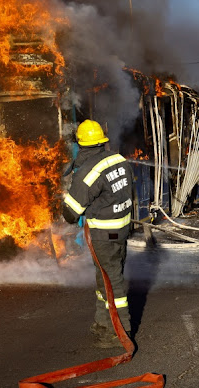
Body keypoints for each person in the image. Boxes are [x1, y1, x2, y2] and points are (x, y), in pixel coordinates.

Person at [62, 120, 134, 348]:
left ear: (81, 145)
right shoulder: (119, 160)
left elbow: (71, 212)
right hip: (122, 230)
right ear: (102, 141)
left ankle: (121, 332)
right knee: (105, 280)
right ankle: (103, 323)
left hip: (104, 235)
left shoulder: (89, 172)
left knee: (113, 283)